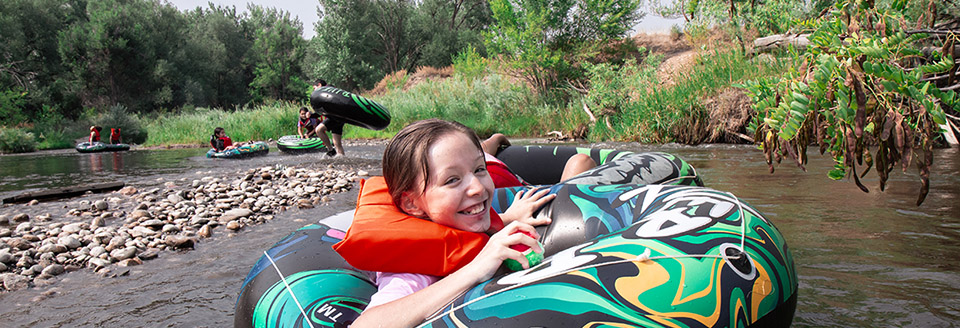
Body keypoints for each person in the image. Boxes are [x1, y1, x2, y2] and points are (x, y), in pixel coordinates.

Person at [349, 119, 556, 327]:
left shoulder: (453, 222)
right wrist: (476, 269)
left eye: (479, 169)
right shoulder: (415, 269)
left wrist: (508, 217)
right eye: (451, 180)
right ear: (412, 204)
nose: (477, 188)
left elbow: (455, 237)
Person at [480, 133, 597, 187]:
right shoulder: (471, 191)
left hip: (534, 193)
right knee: (581, 162)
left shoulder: (475, 156)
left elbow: (487, 146)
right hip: (522, 210)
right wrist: (509, 217)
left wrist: (499, 137)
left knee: (582, 161)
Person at [312, 79, 346, 157]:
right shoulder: (325, 95)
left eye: (314, 88)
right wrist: (311, 115)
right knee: (337, 143)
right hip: (340, 118)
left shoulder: (329, 89)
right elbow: (321, 112)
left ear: (319, 85)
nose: (314, 91)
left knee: (319, 130)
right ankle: (342, 160)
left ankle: (330, 150)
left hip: (335, 117)